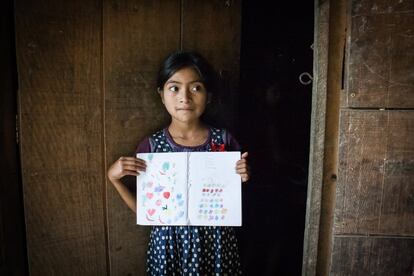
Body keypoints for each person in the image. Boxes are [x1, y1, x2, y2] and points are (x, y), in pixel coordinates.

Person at [107, 51, 250, 275]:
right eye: (174, 88)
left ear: (209, 95)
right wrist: (114, 179)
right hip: (168, 247)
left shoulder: (224, 140)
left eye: (196, 87)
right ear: (161, 95)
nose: (185, 97)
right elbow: (146, 211)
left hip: (216, 244)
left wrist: (242, 175)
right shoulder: (151, 148)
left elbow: (231, 197)